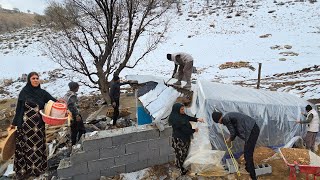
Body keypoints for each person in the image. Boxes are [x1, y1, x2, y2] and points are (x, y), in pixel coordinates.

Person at [10, 72, 57, 179]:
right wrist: (14, 123)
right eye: (33, 78)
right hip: (26, 126)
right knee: (27, 148)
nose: (36, 80)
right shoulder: (24, 92)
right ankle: (25, 171)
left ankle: (36, 170)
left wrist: (62, 103)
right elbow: (19, 109)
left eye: (37, 78)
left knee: (37, 147)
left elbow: (53, 101)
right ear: (29, 80)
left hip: (39, 126)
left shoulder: (43, 93)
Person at [212, 111, 260, 180]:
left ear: (218, 119)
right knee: (247, 152)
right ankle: (248, 167)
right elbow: (235, 129)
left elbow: (233, 133)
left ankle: (253, 176)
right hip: (252, 128)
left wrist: (229, 139)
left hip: (251, 131)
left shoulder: (226, 119)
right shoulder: (228, 116)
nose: (219, 123)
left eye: (218, 122)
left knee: (248, 154)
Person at [168, 103, 204, 175]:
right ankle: (182, 170)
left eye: (183, 109)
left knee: (181, 154)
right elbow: (185, 130)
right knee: (181, 155)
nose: (183, 110)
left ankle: (179, 165)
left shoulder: (181, 115)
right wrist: (194, 130)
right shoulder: (177, 119)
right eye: (181, 109)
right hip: (180, 140)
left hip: (184, 138)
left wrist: (197, 119)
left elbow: (188, 117)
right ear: (177, 110)